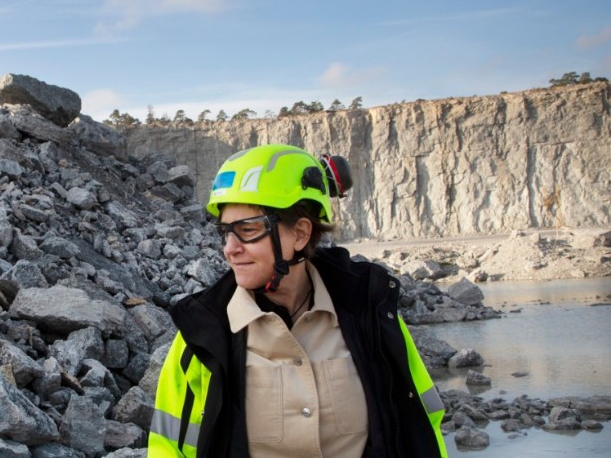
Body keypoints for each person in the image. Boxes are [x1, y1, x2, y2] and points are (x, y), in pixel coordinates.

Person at [147, 144, 447, 457]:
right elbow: (169, 447)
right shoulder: (203, 335)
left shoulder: (370, 314)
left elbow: (423, 425)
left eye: (247, 230)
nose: (230, 248)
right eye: (226, 232)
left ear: (301, 234)